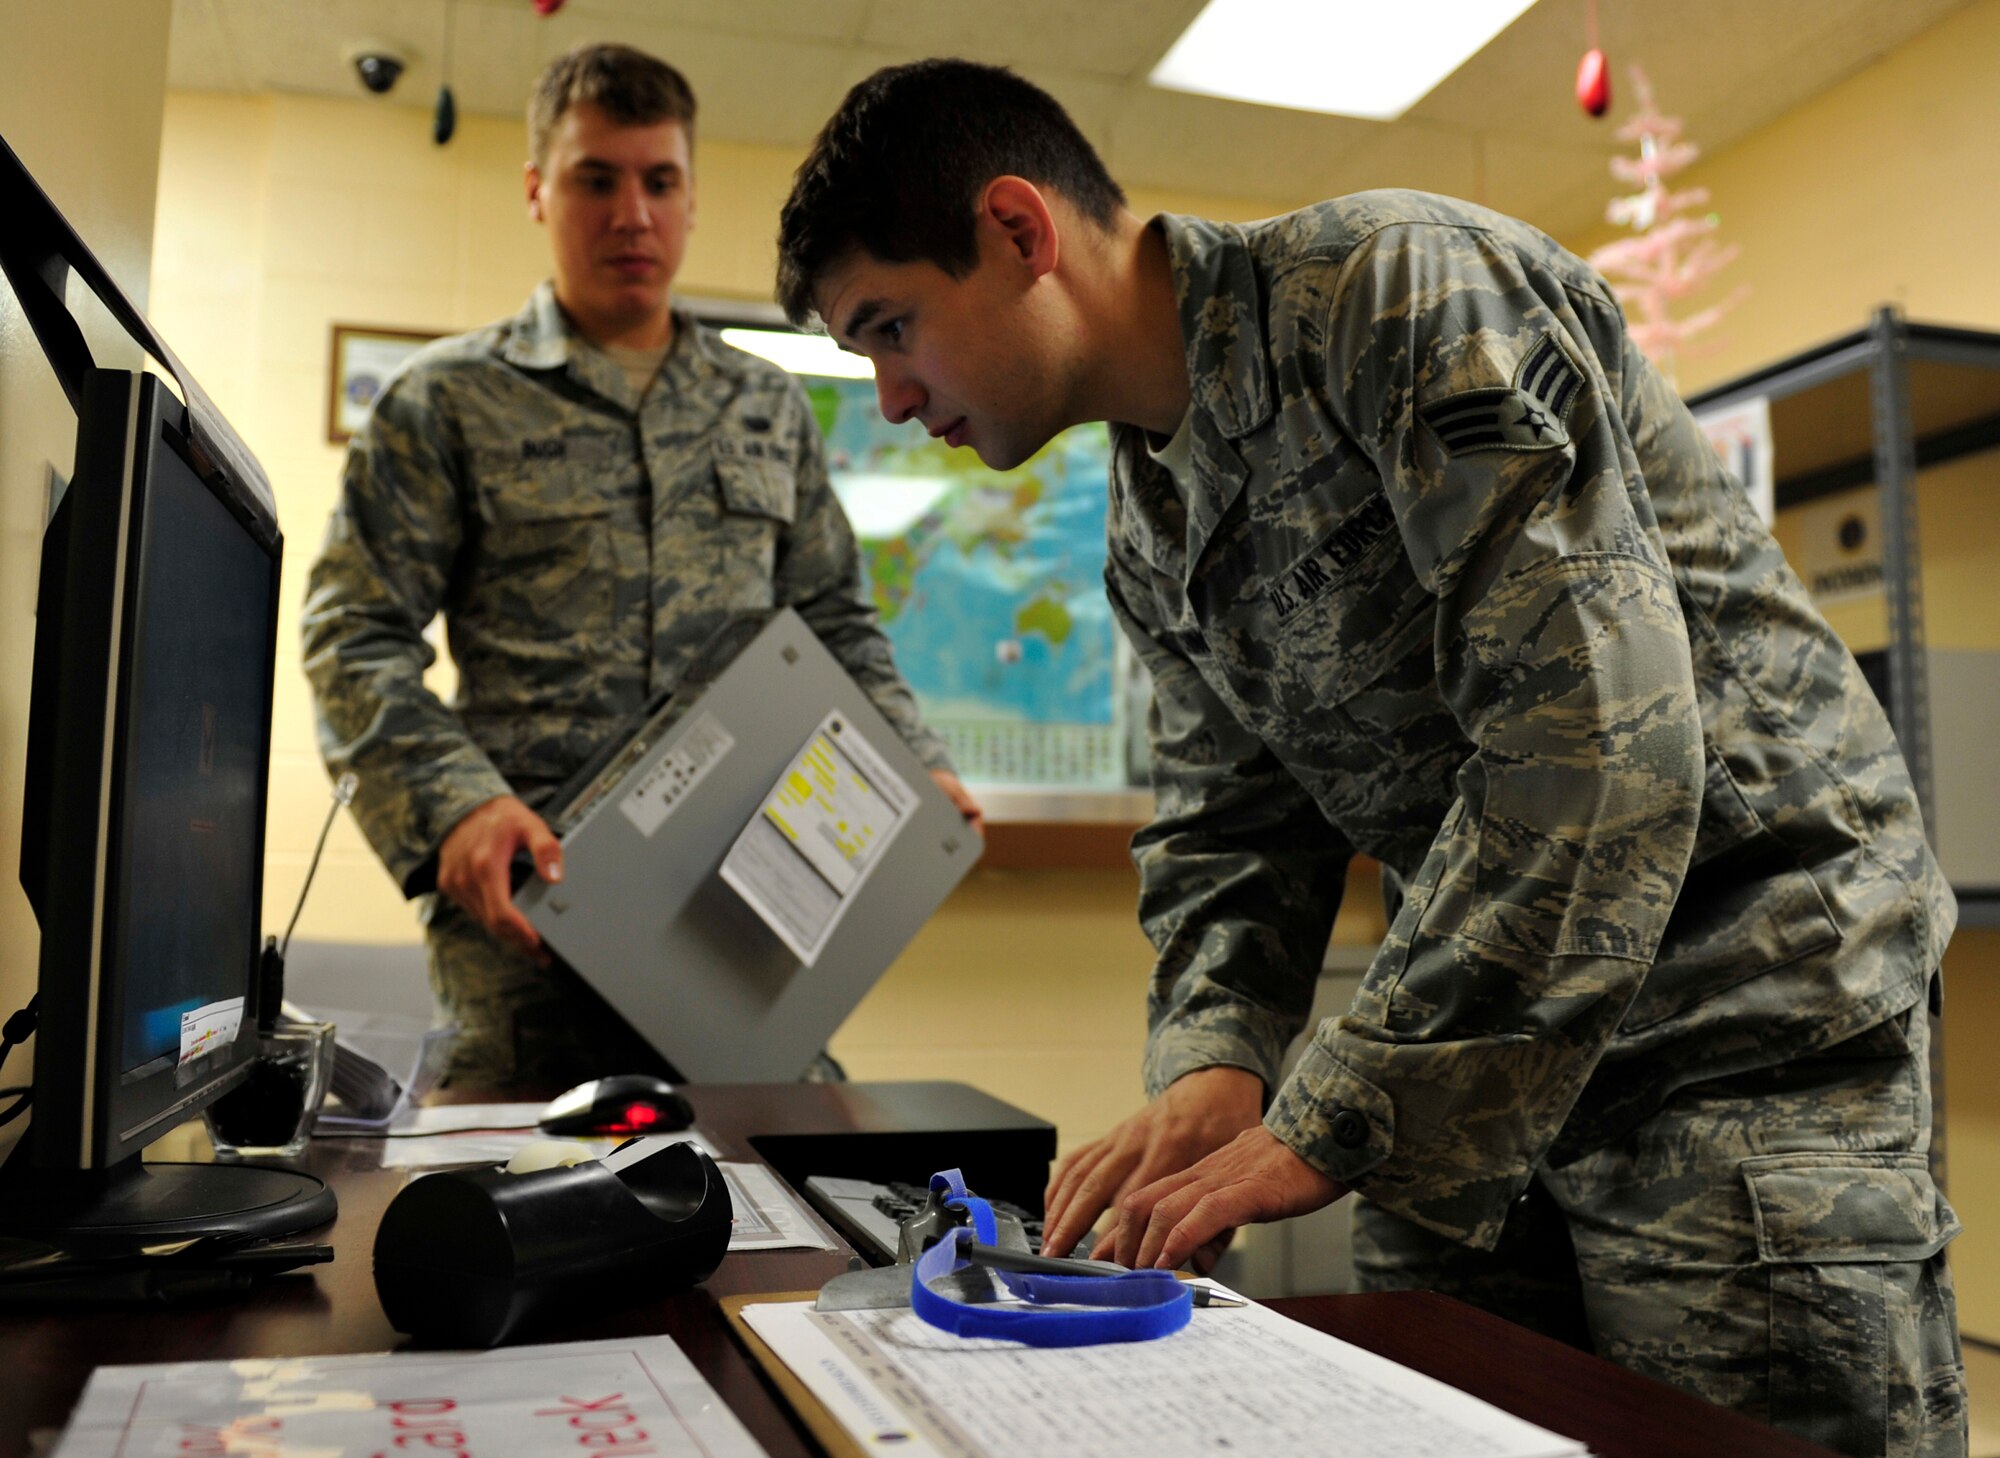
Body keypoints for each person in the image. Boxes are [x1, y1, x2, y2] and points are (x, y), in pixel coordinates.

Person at [774, 57, 1963, 1458]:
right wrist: (1215, 1060)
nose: (895, 396)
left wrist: (1327, 1112)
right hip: (1483, 1055)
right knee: (1431, 1414)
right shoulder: (1150, 517)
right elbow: (1230, 823)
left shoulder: (1397, 296)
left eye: (891, 328)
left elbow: (1592, 743)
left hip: (1736, 1014)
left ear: (1021, 233)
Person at [303, 43, 980, 1091]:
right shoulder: (443, 403)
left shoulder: (765, 408)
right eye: (595, 178)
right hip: (530, 922)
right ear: (537, 188)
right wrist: (456, 806)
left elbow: (835, 619)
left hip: (741, 908)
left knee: (784, 1208)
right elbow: (352, 634)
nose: (632, 214)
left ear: (693, 198)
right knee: (512, 1218)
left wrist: (913, 762)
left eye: (660, 182)